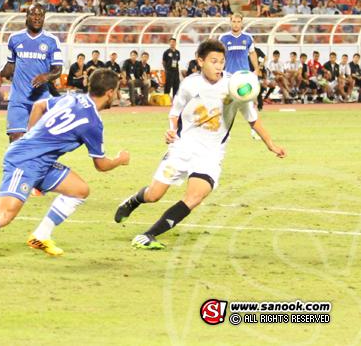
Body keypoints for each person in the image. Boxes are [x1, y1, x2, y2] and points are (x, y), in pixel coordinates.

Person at [0, 69, 130, 263]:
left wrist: (30, 136)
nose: (117, 95)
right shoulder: (93, 122)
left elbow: (39, 106)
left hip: (42, 162)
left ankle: (41, 235)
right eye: (117, 91)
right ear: (109, 92)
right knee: (3, 215)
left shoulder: (73, 98)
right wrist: (120, 159)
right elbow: (101, 165)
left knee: (79, 190)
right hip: (25, 162)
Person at [113, 40, 286, 249]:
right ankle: (134, 200)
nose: (219, 66)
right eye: (214, 61)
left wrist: (270, 144)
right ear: (200, 61)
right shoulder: (190, 84)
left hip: (211, 154)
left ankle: (149, 235)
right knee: (154, 195)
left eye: (222, 61)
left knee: (194, 197)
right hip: (182, 148)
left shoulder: (235, 87)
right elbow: (174, 113)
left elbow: (253, 119)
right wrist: (171, 130)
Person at [0, 4, 63, 142]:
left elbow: (58, 70)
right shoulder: (15, 38)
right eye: (33, 14)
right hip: (18, 99)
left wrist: (46, 76)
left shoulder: (52, 41)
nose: (37, 18)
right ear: (27, 16)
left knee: (38, 141)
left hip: (40, 100)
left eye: (40, 15)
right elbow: (10, 64)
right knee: (15, 138)